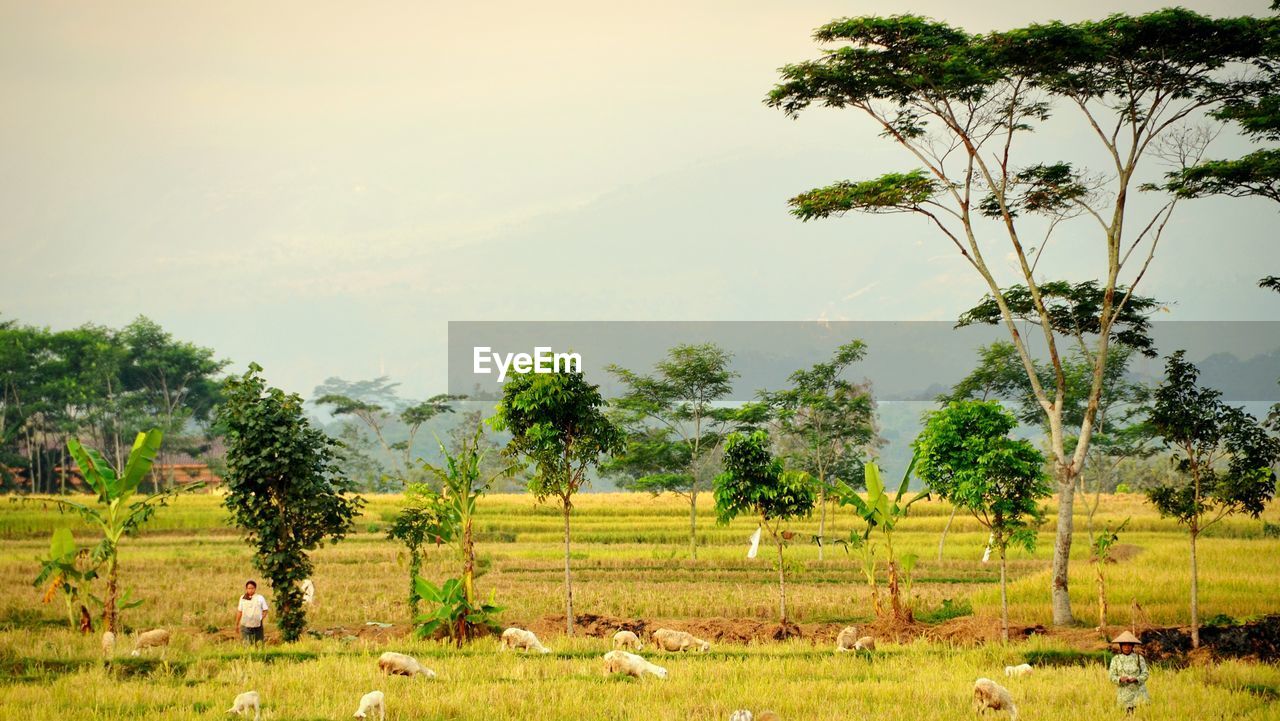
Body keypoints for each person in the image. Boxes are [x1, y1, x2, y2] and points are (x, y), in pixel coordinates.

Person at [1108, 631, 1150, 714]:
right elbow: (1111, 676)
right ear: (1121, 646)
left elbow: (1145, 674)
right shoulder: (1116, 659)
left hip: (1139, 695)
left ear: (1132, 646)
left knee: (1141, 716)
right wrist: (1120, 679)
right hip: (1124, 696)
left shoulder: (1139, 658)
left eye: (1129, 645)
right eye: (1124, 645)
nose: (1126, 647)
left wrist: (1137, 679)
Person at [235, 580, 269, 645]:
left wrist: (260, 618)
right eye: (249, 588)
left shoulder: (260, 598)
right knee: (246, 644)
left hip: (257, 625)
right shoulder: (242, 598)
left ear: (255, 589)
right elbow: (240, 611)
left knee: (258, 644)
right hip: (245, 625)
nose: (250, 590)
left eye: (252, 588)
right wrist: (237, 624)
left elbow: (265, 610)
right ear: (246, 589)